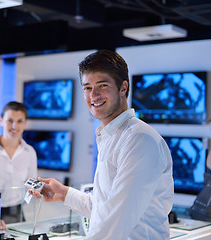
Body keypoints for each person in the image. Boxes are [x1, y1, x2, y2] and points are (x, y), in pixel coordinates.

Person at [29, 50, 174, 239]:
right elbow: (105, 208)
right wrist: (64, 193)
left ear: (123, 87)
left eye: (102, 85)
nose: (93, 95)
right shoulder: (111, 136)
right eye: (87, 87)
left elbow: (117, 220)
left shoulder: (139, 139)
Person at [0, 101, 37, 224]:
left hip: (16, 214)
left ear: (25, 123)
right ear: (1, 120)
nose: (14, 126)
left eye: (19, 121)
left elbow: (32, 185)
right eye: (10, 120)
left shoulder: (29, 152)